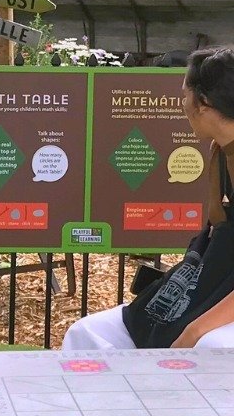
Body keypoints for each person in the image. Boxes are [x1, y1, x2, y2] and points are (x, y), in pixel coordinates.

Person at [63, 46, 234, 351]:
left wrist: (195, 330)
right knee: (87, 333)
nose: (182, 104)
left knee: (208, 349)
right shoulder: (220, 152)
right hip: (215, 279)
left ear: (205, 102)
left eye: (185, 95)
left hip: (223, 296)